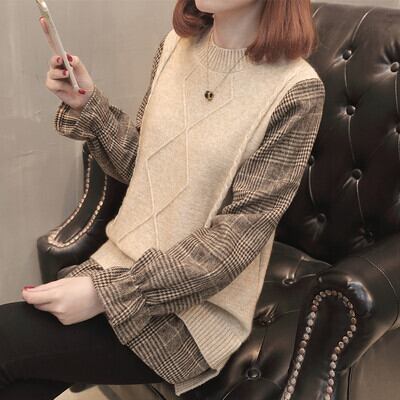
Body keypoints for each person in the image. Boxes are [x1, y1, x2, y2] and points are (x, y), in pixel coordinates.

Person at [0, 0, 326, 399]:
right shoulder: (175, 46)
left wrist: (107, 294)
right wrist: (87, 103)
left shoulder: (297, 90)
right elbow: (146, 169)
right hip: (118, 266)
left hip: (193, 313)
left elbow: (234, 242)